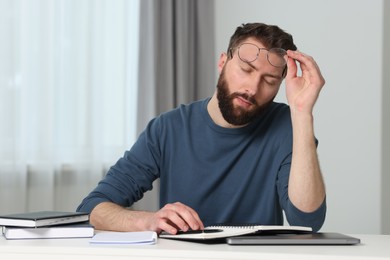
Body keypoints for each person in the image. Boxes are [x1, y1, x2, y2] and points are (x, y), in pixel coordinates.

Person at [77, 22, 326, 234]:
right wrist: (147, 220)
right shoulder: (168, 128)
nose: (252, 87)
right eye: (245, 70)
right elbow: (92, 208)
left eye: (269, 81)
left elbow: (307, 221)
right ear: (222, 62)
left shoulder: (287, 126)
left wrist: (302, 113)